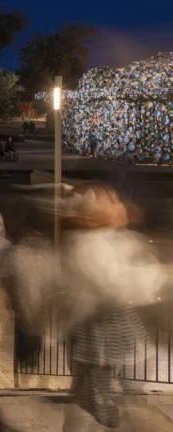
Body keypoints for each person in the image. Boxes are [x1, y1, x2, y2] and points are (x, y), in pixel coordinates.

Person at [60, 184, 169, 429]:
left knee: (98, 397)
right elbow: (118, 284)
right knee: (94, 400)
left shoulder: (114, 239)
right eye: (112, 202)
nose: (120, 205)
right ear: (92, 216)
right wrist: (160, 275)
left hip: (113, 339)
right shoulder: (89, 246)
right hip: (99, 338)